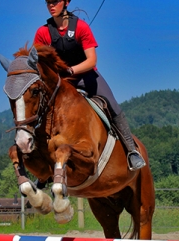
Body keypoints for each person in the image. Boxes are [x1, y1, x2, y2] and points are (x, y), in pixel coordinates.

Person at [33, 0, 146, 171]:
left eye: (55, 1)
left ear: (66, 2)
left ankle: (131, 150)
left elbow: (92, 60)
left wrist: (70, 71)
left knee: (112, 103)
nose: (51, 5)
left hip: (86, 76)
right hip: (59, 81)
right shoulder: (43, 32)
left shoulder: (81, 27)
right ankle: (39, 156)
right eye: (48, 2)